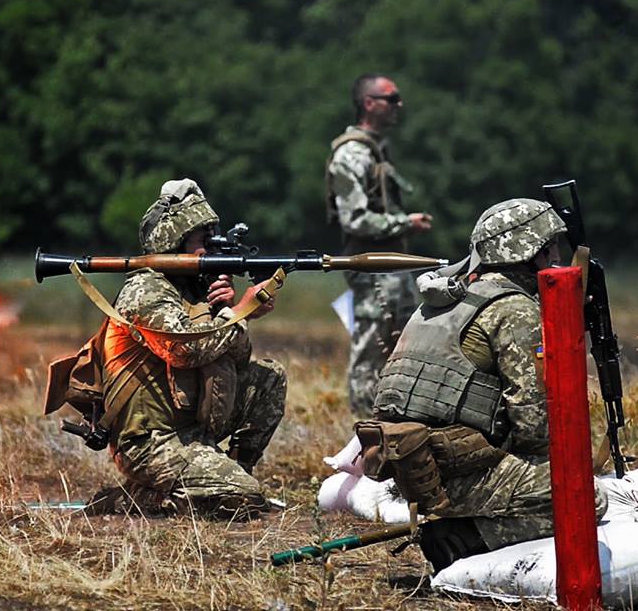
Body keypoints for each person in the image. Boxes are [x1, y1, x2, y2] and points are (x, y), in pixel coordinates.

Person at [355, 198, 607, 570]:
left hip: (409, 470)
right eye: (551, 247)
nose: (557, 257)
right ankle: (465, 539)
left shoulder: (441, 300)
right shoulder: (514, 310)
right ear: (529, 251)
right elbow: (534, 427)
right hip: (454, 475)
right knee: (587, 495)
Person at [46, 179, 286, 520]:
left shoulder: (192, 290)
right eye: (202, 240)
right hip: (149, 440)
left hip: (191, 428)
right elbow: (184, 351)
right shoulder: (146, 290)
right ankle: (132, 499)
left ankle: (231, 476)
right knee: (243, 500)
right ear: (173, 241)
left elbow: (234, 359)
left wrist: (225, 310)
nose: (209, 249)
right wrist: (238, 314)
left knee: (270, 377)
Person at [325, 73, 433, 415]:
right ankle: (363, 436)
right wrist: (406, 223)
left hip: (390, 264)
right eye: (391, 98)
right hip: (371, 268)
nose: (399, 104)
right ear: (369, 104)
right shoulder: (351, 155)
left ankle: (393, 424)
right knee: (372, 350)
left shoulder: (375, 151)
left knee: (401, 345)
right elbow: (354, 219)